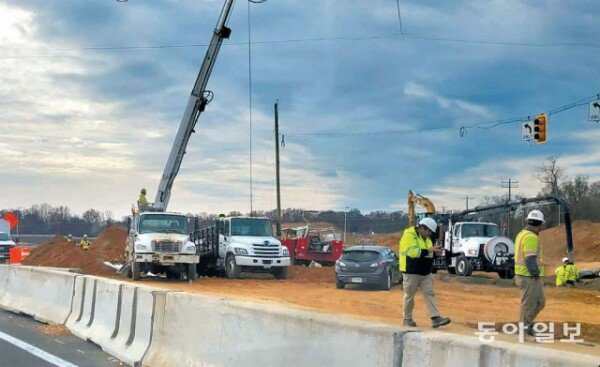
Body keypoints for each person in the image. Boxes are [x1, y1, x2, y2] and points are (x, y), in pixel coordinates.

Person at [399, 217, 451, 328]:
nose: (430, 234)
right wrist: (429, 250)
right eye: (429, 231)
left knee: (429, 293)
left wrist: (435, 253)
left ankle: (435, 318)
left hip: (425, 272)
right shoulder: (409, 235)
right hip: (411, 271)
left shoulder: (427, 239)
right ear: (422, 228)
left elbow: (428, 254)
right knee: (409, 296)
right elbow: (412, 252)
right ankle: (407, 319)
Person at [514, 209, 546, 337]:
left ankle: (526, 324)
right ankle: (524, 329)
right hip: (528, 276)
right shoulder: (531, 237)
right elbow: (530, 258)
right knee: (529, 304)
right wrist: (535, 273)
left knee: (539, 302)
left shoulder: (522, 234)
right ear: (540, 224)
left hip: (526, 275)